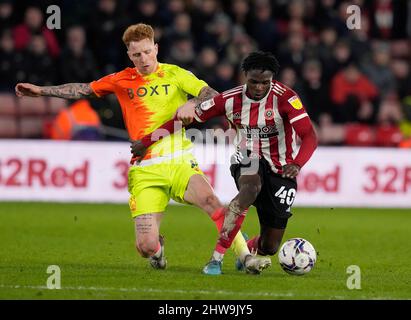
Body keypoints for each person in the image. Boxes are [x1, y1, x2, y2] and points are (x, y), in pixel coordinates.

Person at [15, 23, 270, 274]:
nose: (143, 58)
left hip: (178, 160)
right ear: (129, 55)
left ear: (156, 48)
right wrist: (40, 91)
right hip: (146, 169)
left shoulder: (176, 74)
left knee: (211, 201)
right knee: (145, 247)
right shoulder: (121, 80)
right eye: (136, 54)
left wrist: (193, 103)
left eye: (147, 51)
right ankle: (158, 251)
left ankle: (246, 257)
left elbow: (212, 94)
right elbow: (83, 90)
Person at [132, 51, 318, 275]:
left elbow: (309, 136)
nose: (259, 87)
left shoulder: (286, 98)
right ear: (244, 77)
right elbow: (182, 121)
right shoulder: (228, 99)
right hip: (247, 158)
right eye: (253, 82)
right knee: (250, 188)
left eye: (265, 83)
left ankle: (249, 246)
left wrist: (297, 164)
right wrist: (146, 141)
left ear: (272, 79)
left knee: (270, 246)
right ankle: (216, 258)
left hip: (282, 167)